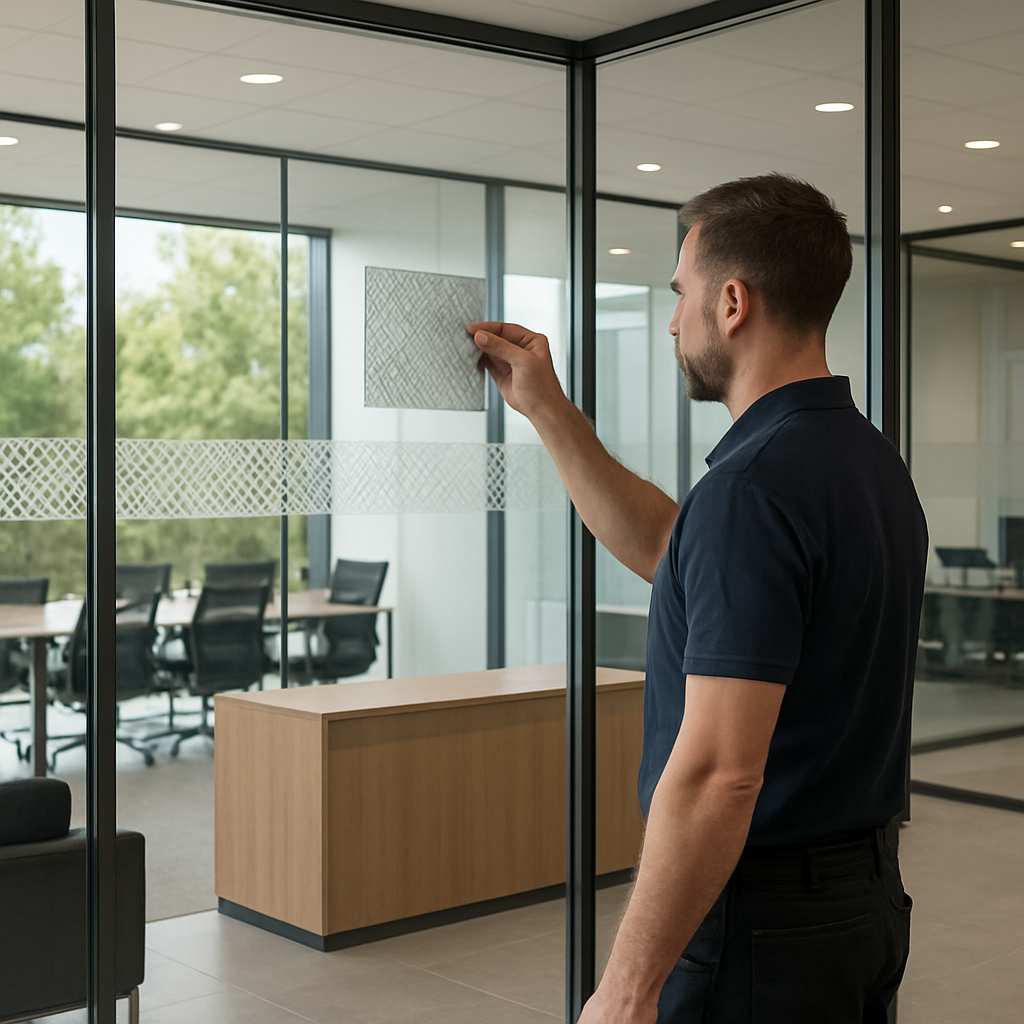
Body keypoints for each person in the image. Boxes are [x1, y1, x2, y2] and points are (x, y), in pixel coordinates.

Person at [470, 172, 928, 1024]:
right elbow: (673, 552)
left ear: (732, 302)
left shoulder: (752, 489)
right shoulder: (864, 460)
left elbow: (721, 771)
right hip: (857, 906)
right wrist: (549, 411)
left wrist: (627, 988)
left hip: (759, 928)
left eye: (681, 294)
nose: (675, 321)